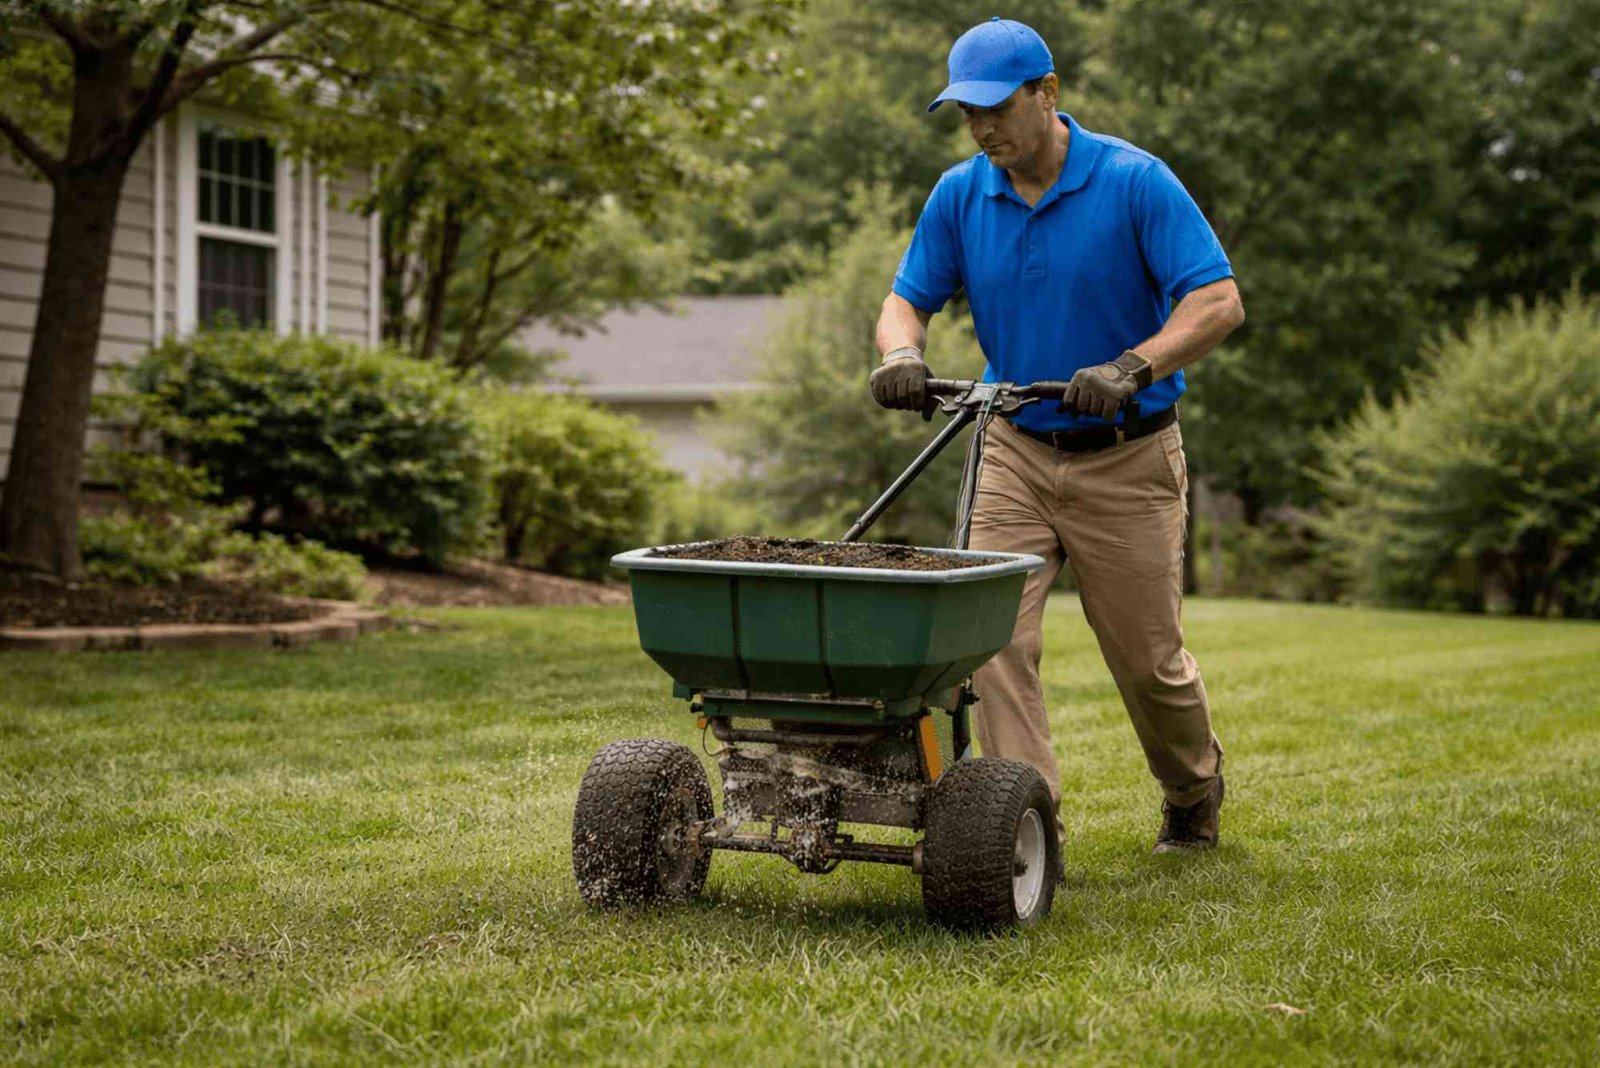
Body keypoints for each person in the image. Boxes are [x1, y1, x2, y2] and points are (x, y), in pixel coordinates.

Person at [870, 17, 1245, 854]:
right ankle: (1023, 829)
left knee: (1150, 662)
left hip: (1130, 456)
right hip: (1012, 448)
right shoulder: (961, 194)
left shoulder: (1134, 182)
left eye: (996, 107)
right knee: (990, 641)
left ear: (1048, 93)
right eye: (967, 113)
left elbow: (1217, 301)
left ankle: (1192, 786)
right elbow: (907, 299)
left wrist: (1130, 368)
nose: (982, 128)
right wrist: (901, 350)